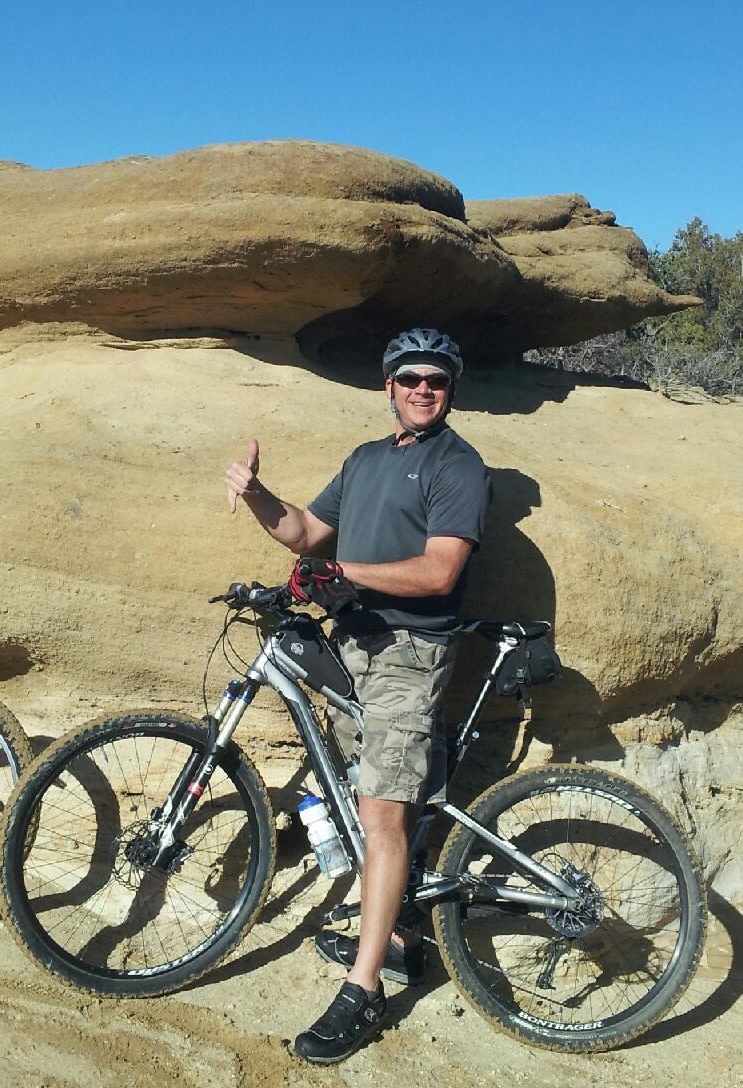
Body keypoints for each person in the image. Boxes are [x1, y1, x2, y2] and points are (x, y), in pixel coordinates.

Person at [225, 328, 491, 1064]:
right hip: (352, 647)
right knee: (379, 797)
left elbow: (440, 573)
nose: (422, 388)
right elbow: (304, 530)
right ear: (388, 386)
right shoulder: (367, 460)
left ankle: (364, 987)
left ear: (451, 388)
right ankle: (402, 935)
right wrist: (256, 496)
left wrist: (348, 572)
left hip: (410, 651)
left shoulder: (459, 466)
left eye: (436, 378)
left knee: (381, 815)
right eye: (409, 377)